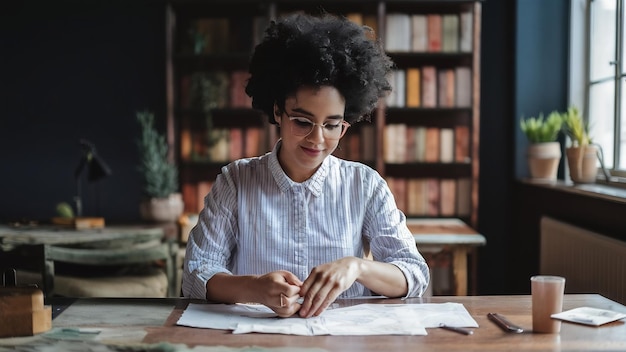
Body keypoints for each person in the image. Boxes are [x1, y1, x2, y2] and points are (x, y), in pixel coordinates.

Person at [182, 12, 430, 318]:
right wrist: (253, 287)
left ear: (345, 127)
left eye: (331, 125)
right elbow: (195, 275)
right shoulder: (235, 181)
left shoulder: (365, 185)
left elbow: (415, 274)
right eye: (302, 121)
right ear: (277, 112)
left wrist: (358, 267)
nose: (317, 138)